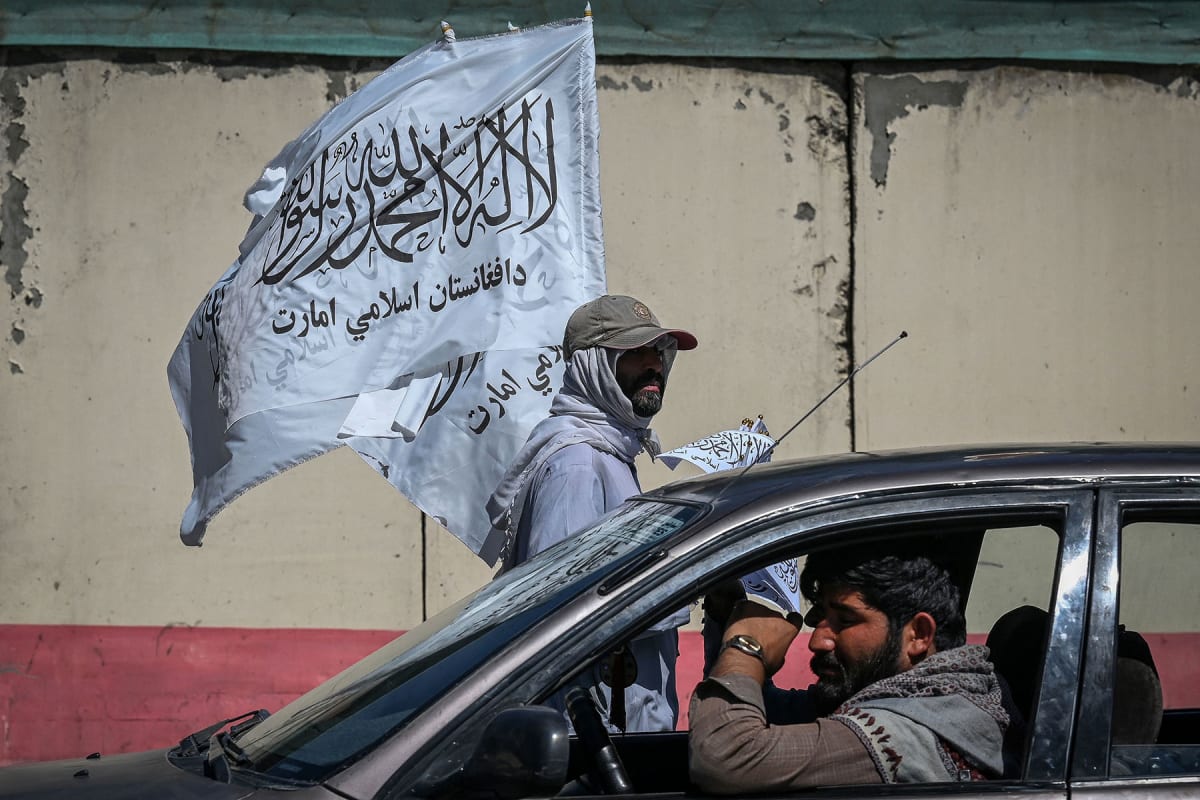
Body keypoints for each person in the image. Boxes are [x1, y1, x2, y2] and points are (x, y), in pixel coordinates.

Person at [486, 294, 698, 732]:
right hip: (600, 737)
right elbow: (565, 614)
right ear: (594, 365)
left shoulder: (611, 452)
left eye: (658, 351)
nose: (654, 364)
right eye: (636, 352)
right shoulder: (578, 464)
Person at [689, 549, 1009, 792]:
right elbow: (772, 714)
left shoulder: (910, 733)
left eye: (845, 621)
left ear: (918, 635)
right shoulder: (887, 695)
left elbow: (727, 754)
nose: (817, 641)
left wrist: (746, 647)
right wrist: (724, 619)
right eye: (819, 618)